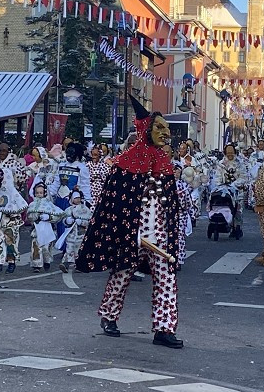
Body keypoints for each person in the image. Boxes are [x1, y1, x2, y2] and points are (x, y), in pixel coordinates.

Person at [76, 96, 186, 349]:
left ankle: (164, 329)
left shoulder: (165, 162)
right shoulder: (125, 163)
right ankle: (109, 315)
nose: (165, 132)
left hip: (159, 234)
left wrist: (171, 235)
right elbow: (113, 204)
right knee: (122, 275)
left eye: (166, 128)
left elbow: (171, 205)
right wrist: (126, 232)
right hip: (131, 233)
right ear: (145, 130)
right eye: (158, 127)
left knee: (166, 279)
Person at [0, 162, 28, 274]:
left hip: (11, 223)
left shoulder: (13, 193)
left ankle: (11, 262)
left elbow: (20, 207)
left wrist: (13, 213)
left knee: (11, 243)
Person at [210, 144, 248, 238]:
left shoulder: (240, 163)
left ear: (235, 153)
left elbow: (243, 177)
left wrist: (234, 185)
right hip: (224, 190)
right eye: (228, 153)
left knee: (238, 211)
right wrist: (220, 186)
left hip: (237, 191)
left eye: (232, 153)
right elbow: (217, 177)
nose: (230, 155)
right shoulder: (221, 164)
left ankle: (237, 227)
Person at [26, 181, 64, 271]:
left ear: (45, 193)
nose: (39, 194)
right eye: (37, 193)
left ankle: (47, 261)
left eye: (41, 193)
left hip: (48, 229)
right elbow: (29, 217)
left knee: (46, 248)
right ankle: (37, 265)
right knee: (36, 247)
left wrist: (49, 217)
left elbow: (58, 215)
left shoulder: (49, 204)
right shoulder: (32, 205)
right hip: (37, 229)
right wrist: (36, 216)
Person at [58, 190, 93, 272]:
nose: (77, 200)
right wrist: (67, 221)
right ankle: (66, 264)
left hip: (81, 234)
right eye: (75, 198)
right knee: (69, 249)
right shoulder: (68, 210)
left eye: (78, 198)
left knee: (78, 250)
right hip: (70, 234)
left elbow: (89, 221)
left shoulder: (85, 209)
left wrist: (82, 222)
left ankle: (78, 265)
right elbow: (63, 220)